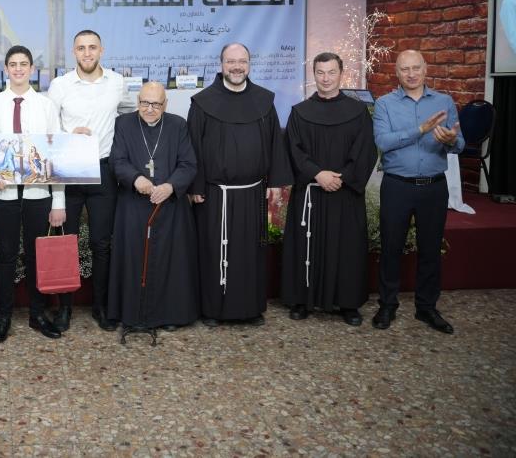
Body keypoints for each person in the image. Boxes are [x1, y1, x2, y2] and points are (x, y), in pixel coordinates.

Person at [187, 42, 291, 327]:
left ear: (249, 64)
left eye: (242, 61)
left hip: (252, 192)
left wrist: (275, 183)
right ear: (221, 64)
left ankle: (250, 308)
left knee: (250, 253)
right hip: (213, 194)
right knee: (213, 251)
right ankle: (213, 310)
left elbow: (275, 142)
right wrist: (195, 186)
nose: (236, 67)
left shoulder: (264, 101)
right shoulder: (203, 102)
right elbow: (193, 145)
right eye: (231, 61)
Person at [47, 29, 135, 331]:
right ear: (74, 52)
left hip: (103, 170)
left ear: (101, 50)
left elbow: (128, 116)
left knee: (101, 244)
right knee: (66, 243)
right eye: (81, 48)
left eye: (92, 47)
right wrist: (68, 135)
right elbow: (49, 128)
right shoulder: (59, 85)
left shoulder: (117, 82)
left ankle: (101, 307)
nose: (87, 53)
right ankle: (64, 309)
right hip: (69, 170)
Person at [372, 49, 464, 334]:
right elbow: (383, 142)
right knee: (391, 248)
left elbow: (460, 144)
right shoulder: (385, 104)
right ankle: (387, 305)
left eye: (415, 68)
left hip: (434, 187)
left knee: (430, 250)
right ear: (396, 73)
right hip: (397, 186)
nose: (411, 74)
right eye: (405, 69)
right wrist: (420, 129)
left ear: (425, 69)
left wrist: (451, 140)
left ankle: (427, 307)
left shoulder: (444, 102)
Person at [282, 53, 377, 326]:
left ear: (341, 73)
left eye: (331, 72)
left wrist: (342, 178)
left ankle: (347, 303)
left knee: (347, 248)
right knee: (305, 246)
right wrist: (317, 174)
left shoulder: (358, 112)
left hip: (345, 193)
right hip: (310, 193)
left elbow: (365, 151)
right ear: (314, 74)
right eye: (320, 72)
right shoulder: (300, 112)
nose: (325, 78)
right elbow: (293, 151)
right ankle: (302, 300)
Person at [0, 45, 66, 343]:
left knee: (36, 255)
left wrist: (58, 201)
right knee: (5, 256)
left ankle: (37, 314)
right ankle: (3, 316)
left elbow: (56, 156)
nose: (18, 69)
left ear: (31, 69)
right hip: (4, 195)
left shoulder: (46, 105)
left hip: (38, 194)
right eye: (13, 64)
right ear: (6, 69)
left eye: (23, 64)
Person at [108, 82, 199, 336]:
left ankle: (170, 314)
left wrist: (170, 186)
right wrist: (136, 179)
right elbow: (117, 160)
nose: (149, 109)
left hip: (169, 206)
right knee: (133, 258)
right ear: (137, 101)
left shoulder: (177, 125)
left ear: (165, 104)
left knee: (171, 260)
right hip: (133, 205)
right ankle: (131, 313)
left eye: (156, 104)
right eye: (144, 103)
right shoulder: (124, 124)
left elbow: (188, 164)